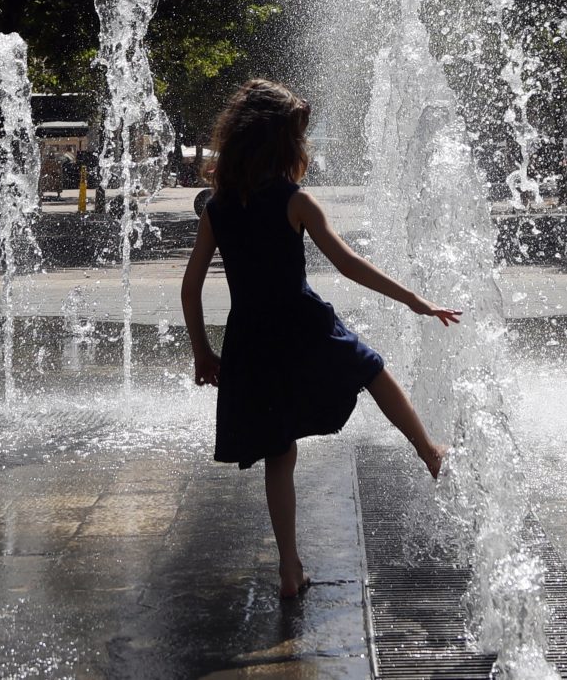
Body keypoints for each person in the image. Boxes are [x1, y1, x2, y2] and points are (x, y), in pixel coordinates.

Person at [181, 79, 458, 600]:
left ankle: (290, 568)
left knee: (277, 452)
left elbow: (190, 288)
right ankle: (429, 451)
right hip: (302, 325)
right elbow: (349, 264)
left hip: (251, 339)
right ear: (283, 145)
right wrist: (413, 300)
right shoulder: (296, 201)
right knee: (372, 369)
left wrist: (203, 351)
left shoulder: (217, 209)